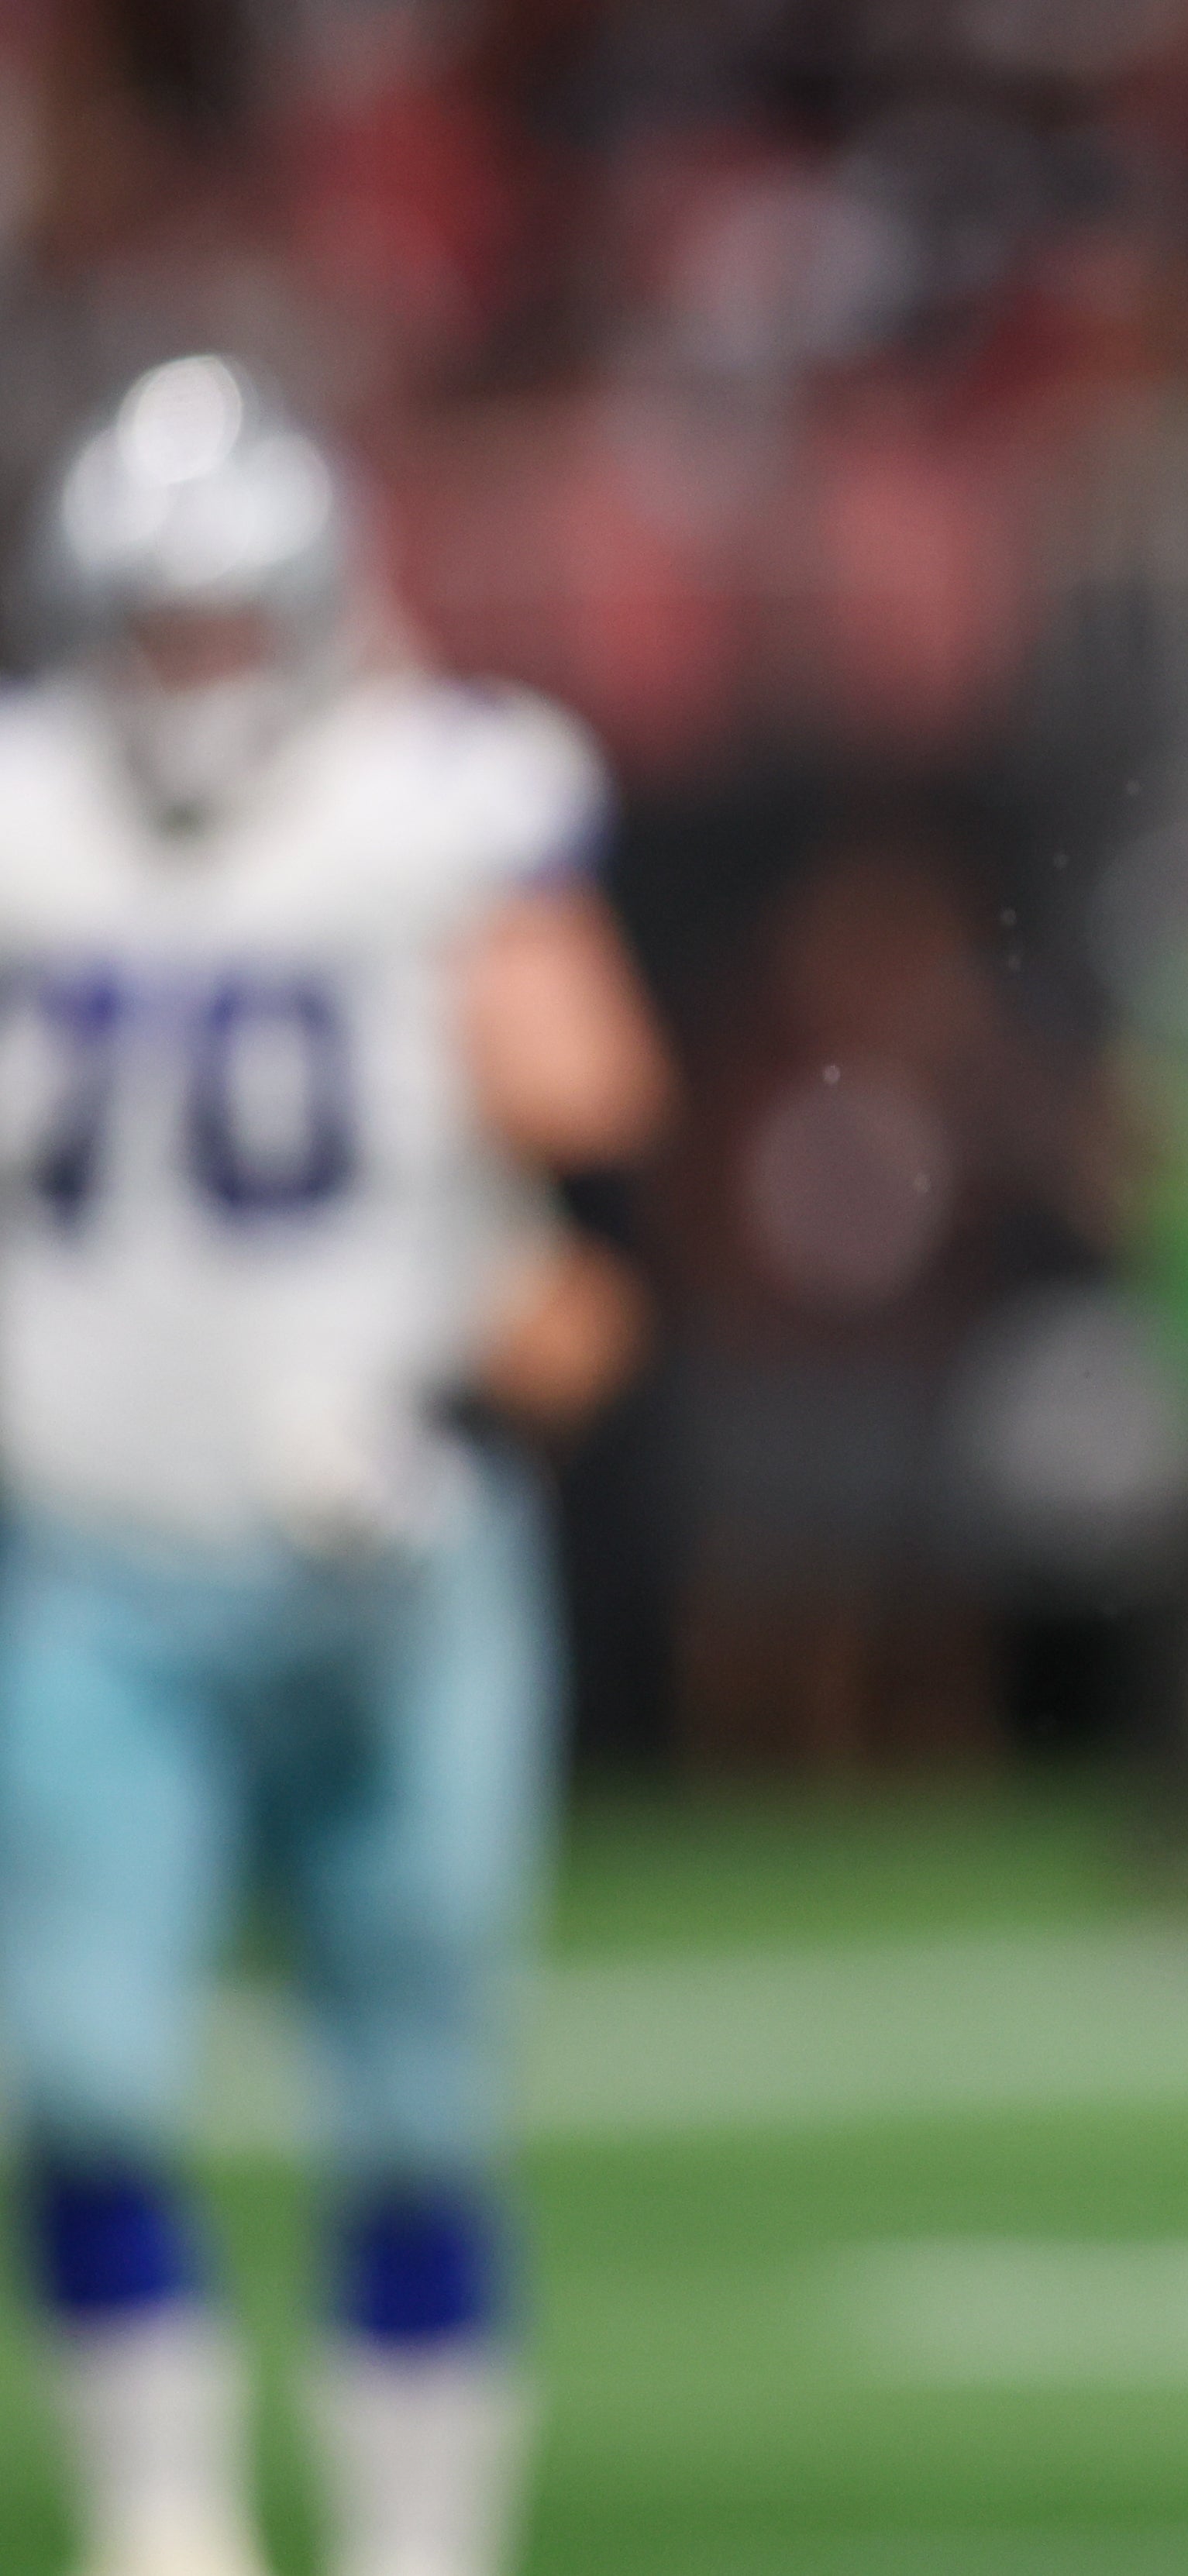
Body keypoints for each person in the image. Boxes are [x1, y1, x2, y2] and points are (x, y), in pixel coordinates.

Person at [0, 356, 670, 2576]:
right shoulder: (23, 811)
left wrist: (446, 1425)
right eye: (150, 622)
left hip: (407, 1564)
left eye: (220, 621)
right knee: (82, 2079)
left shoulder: (449, 802)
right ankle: (164, 2521)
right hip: (95, 1555)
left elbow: (602, 1220)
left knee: (417, 2108)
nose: (186, 670)